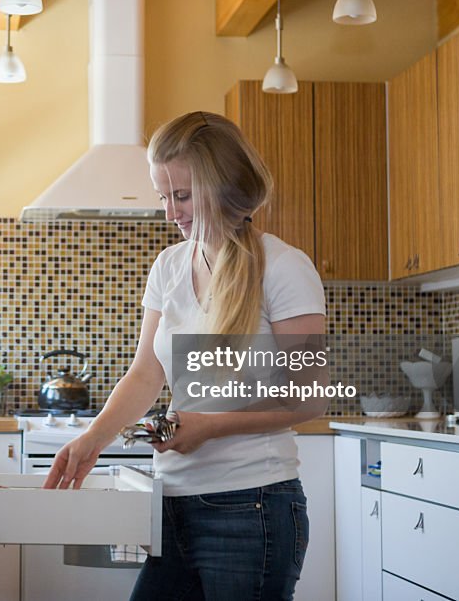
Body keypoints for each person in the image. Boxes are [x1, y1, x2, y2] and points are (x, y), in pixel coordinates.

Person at [43, 110, 327, 600]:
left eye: (183, 195)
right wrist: (92, 439)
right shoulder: (169, 266)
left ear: (224, 187)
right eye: (163, 196)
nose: (171, 212)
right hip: (171, 503)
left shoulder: (283, 267)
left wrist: (207, 427)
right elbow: (145, 375)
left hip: (252, 507)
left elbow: (311, 397)